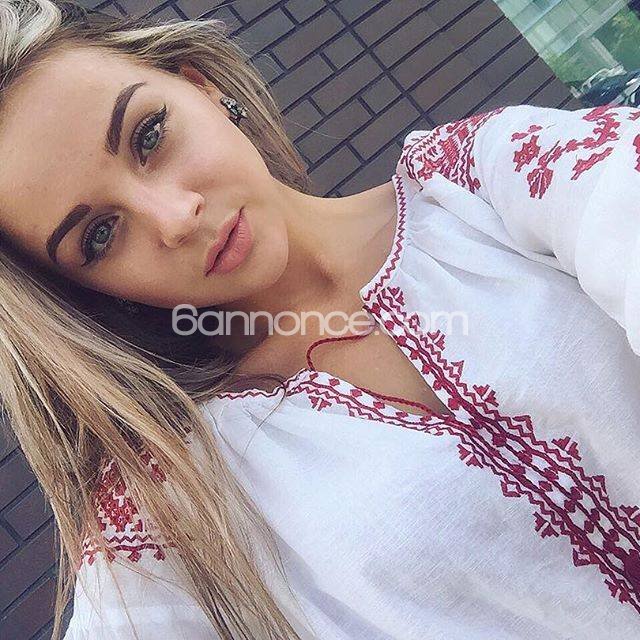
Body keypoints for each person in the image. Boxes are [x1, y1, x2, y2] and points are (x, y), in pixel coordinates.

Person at [0, 1, 638, 638]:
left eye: (149, 137)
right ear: (84, 288)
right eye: (100, 235)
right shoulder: (173, 490)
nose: (175, 217)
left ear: (203, 87)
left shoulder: (488, 180)